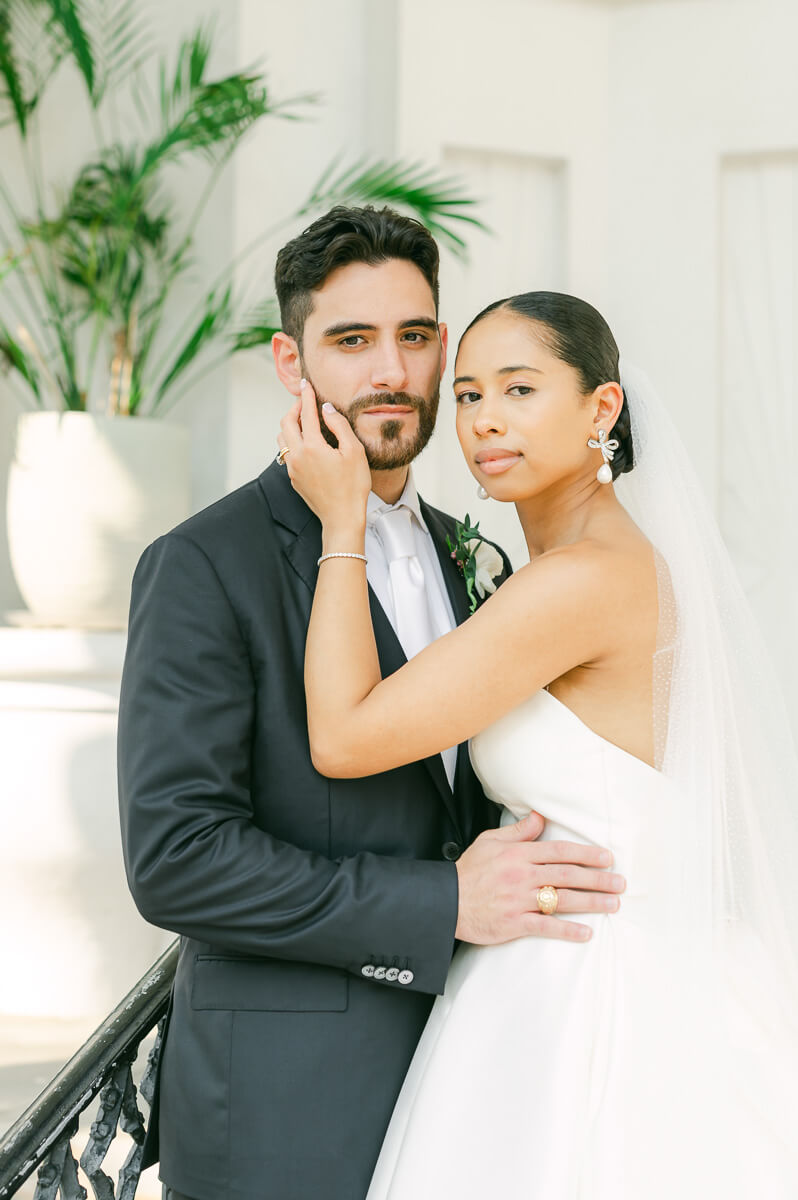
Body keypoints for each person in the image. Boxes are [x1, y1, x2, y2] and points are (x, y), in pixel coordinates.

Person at [117, 212, 626, 1200]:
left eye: (416, 336)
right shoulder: (202, 567)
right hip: (288, 1106)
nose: (390, 369)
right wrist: (443, 905)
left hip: (475, 1078)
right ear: (291, 362)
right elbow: (176, 861)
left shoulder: (478, 557)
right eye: (351, 341)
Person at [281, 289, 798, 1198]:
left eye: (520, 390)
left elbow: (347, 736)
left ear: (602, 407)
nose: (485, 421)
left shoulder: (583, 582)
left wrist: (341, 522)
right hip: (565, 965)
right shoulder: (578, 565)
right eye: (471, 394)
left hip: (597, 998)